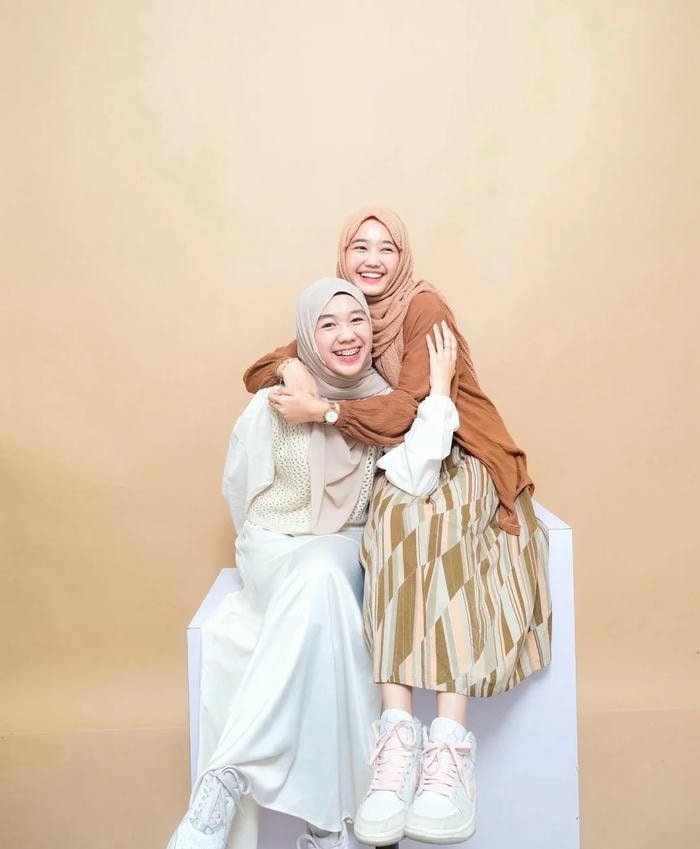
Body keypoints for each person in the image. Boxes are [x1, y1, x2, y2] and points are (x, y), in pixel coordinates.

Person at [244, 209, 552, 845]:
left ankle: (449, 747)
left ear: (404, 256)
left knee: (431, 520)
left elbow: (412, 410)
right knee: (388, 521)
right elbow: (264, 366)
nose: (373, 260)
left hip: (459, 448)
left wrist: (325, 410)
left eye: (387, 248)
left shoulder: (421, 306)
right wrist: (291, 370)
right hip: (407, 452)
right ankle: (396, 742)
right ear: (344, 256)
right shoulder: (352, 312)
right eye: (360, 247)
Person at [167, 277, 461, 849]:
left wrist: (441, 390)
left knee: (324, 573)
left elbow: (417, 474)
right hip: (273, 545)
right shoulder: (275, 401)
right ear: (307, 334)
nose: (346, 335)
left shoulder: (383, 406)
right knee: (325, 608)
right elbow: (240, 487)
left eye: (357, 321)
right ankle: (327, 825)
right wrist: (276, 541)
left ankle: (227, 777)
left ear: (372, 331)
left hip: (343, 548)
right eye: (328, 324)